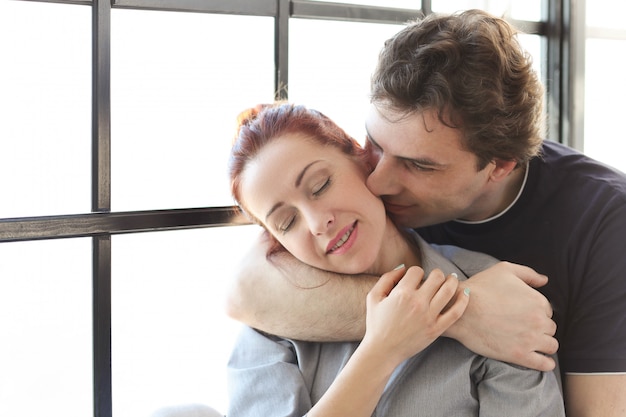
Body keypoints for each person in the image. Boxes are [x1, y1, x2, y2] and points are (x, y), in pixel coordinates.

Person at [225, 10, 626, 417]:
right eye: (375, 144)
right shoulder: (346, 216)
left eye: (418, 165)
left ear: (499, 165)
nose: (377, 180)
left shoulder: (605, 224)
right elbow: (241, 291)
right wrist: (459, 313)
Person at [226, 102, 564, 416]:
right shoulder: (271, 327)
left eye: (320, 185)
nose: (317, 223)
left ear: (363, 160)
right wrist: (381, 351)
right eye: (287, 222)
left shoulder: (501, 305)